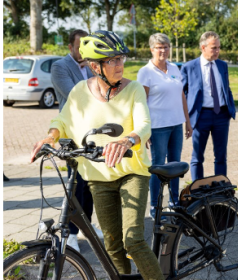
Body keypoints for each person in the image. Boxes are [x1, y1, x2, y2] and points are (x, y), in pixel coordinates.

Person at [30, 30, 164, 279]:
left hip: (131, 173)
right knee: (112, 245)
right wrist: (50, 137)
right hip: (98, 177)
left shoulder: (133, 88)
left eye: (120, 59)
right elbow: (62, 119)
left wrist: (127, 140)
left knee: (132, 240)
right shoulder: (80, 91)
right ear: (95, 66)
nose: (119, 65)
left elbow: (144, 125)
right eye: (112, 60)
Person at [50, 29, 101, 252]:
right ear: (70, 47)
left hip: (92, 132)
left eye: (86, 45)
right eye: (79, 46)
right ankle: (69, 232)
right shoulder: (60, 66)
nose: (83, 50)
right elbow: (74, 96)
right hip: (72, 133)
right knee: (75, 185)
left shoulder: (91, 65)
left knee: (90, 183)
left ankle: (86, 225)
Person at [137, 33, 193, 219]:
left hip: (176, 124)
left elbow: (182, 96)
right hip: (158, 127)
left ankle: (174, 202)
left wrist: (187, 121)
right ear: (152, 49)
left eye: (166, 47)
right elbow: (141, 102)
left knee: (175, 163)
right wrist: (143, 130)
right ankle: (155, 205)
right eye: (159, 47)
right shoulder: (145, 72)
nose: (163, 50)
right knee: (158, 166)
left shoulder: (175, 68)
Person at [181, 31, 236, 181]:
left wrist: (230, 108)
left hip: (221, 115)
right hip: (201, 116)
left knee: (221, 156)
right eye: (214, 48)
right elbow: (182, 94)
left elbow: (226, 88)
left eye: (218, 47)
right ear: (203, 47)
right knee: (197, 156)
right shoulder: (189, 67)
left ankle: (220, 189)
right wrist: (187, 119)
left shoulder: (222, 65)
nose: (217, 51)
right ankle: (197, 191)